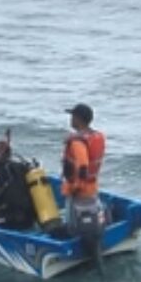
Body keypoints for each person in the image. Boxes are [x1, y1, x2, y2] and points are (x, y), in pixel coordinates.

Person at [56, 103, 109, 247]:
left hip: (79, 191)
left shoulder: (77, 142)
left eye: (72, 116)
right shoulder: (97, 137)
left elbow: (83, 165)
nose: (70, 120)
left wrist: (76, 187)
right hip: (92, 187)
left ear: (78, 119)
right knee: (90, 211)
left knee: (73, 221)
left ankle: (73, 241)